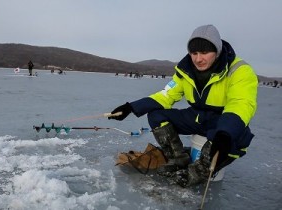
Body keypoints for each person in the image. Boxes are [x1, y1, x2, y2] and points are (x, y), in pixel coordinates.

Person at [108, 25, 258, 187]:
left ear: (218, 50)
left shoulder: (239, 71)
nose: (198, 59)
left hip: (223, 122)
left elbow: (241, 103)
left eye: (205, 53)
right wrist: (132, 107)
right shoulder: (185, 70)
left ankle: (202, 169)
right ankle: (177, 158)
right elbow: (167, 94)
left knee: (225, 136)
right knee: (156, 115)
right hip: (198, 118)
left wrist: (226, 133)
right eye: (194, 53)